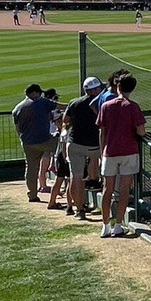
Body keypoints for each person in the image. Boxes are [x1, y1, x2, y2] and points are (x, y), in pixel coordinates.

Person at [96, 73, 146, 238]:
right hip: (129, 151)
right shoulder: (133, 107)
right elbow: (141, 131)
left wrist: (102, 153)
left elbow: (101, 132)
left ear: (118, 86)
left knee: (107, 189)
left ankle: (105, 226)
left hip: (109, 152)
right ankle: (117, 225)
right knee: (124, 190)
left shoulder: (106, 106)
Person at [11, 83, 59, 202]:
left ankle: (32, 195)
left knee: (31, 169)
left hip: (27, 142)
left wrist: (23, 139)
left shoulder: (17, 108)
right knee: (65, 147)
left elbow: (17, 127)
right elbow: (60, 106)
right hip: (45, 140)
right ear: (33, 93)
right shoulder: (41, 102)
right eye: (39, 93)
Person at [65, 76, 104, 219]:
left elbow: (66, 121)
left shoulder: (74, 102)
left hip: (75, 143)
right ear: (97, 89)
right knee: (110, 172)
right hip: (96, 146)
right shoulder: (103, 102)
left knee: (75, 176)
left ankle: (79, 210)